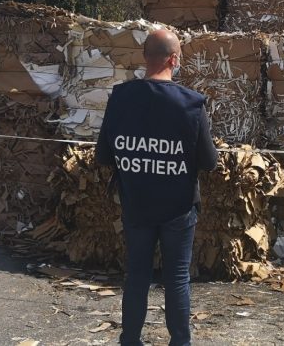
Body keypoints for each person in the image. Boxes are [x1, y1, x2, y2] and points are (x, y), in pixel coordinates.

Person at [96, 29, 218, 346]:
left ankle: (130, 340)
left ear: (145, 57)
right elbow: (208, 161)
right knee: (177, 277)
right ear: (174, 59)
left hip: (136, 204)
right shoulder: (190, 105)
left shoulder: (120, 98)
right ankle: (180, 342)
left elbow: (104, 155)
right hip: (178, 207)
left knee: (137, 276)